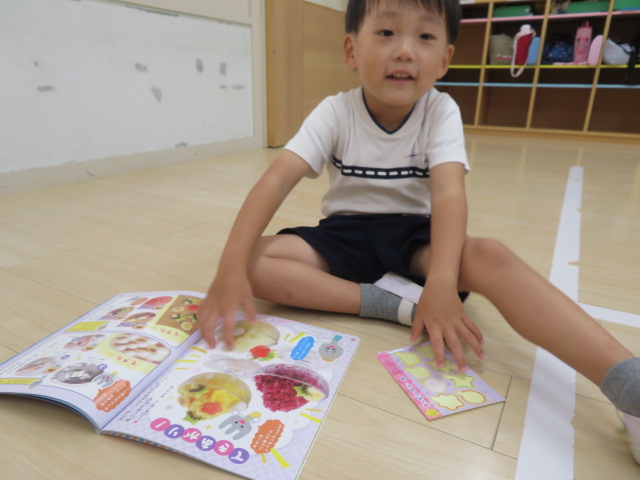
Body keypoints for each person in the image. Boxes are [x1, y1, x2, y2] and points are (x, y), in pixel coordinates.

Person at [198, 0, 640, 463]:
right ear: (351, 50)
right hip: (344, 236)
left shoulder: (439, 110)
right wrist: (229, 269)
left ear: (445, 60)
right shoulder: (334, 111)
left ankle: (629, 384)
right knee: (252, 259)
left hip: (415, 242)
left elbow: (448, 195)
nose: (405, 51)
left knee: (492, 255)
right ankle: (397, 306)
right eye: (386, 33)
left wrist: (443, 282)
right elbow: (275, 181)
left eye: (425, 37)